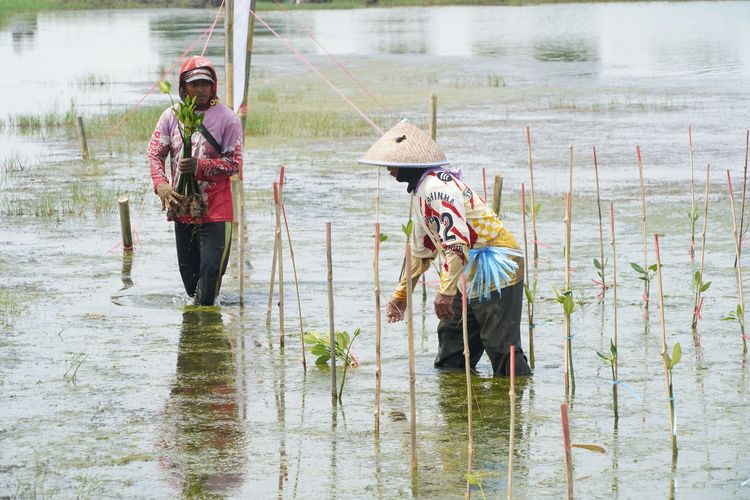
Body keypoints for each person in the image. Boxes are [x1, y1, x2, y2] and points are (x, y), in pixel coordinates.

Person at [360, 119, 532, 377]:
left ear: (408, 165)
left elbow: (457, 244)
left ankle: (511, 399)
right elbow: (421, 251)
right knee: (453, 342)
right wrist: (402, 294)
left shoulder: (437, 190)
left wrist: (446, 293)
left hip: (497, 267)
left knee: (500, 347)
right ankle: (457, 408)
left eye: (392, 163)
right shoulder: (421, 192)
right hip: (465, 269)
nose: (388, 168)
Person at [148, 55, 243, 306]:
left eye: (206, 84)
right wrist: (162, 185)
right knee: (191, 286)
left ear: (214, 86)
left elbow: (234, 164)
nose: (200, 90)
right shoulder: (171, 116)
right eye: (194, 84)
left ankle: (206, 338)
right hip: (183, 206)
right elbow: (155, 154)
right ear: (183, 87)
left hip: (217, 209)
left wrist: (201, 166)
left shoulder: (228, 119)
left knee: (210, 279)